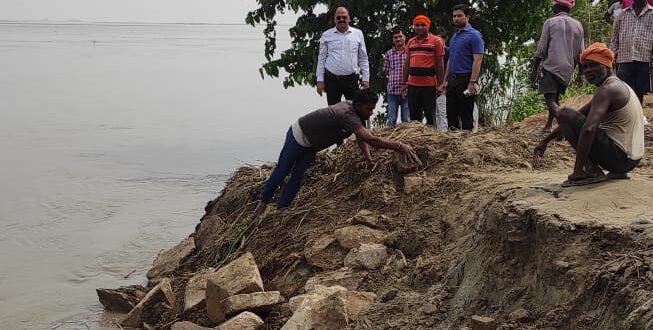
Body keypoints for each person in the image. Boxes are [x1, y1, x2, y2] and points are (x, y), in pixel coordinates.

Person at [256, 90, 420, 211]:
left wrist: (368, 157)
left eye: (372, 109)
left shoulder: (356, 112)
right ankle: (263, 201)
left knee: (298, 176)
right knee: (283, 170)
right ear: (358, 105)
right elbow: (371, 139)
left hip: (312, 145)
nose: (371, 113)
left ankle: (282, 208)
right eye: (369, 109)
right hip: (298, 135)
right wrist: (399, 146)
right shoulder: (346, 114)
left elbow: (360, 135)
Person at [533, 43, 645, 187]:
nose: (588, 71)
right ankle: (614, 171)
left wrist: (577, 170)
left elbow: (588, 128)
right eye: (585, 67)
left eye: (593, 65)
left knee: (564, 112)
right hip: (631, 161)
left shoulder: (607, 89)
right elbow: (576, 117)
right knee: (566, 115)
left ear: (607, 65)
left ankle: (590, 170)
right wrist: (545, 141)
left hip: (620, 157)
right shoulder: (617, 86)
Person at [531, 0, 584, 135]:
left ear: (555, 8)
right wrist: (580, 74)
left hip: (551, 66)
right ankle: (549, 126)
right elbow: (581, 53)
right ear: (569, 9)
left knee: (549, 100)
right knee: (555, 98)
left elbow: (541, 49)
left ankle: (567, 128)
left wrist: (534, 69)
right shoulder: (578, 25)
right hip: (568, 69)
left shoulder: (550, 23)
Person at [441, 4, 485, 131]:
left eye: (459, 16)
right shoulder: (454, 36)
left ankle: (467, 144)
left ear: (467, 17)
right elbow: (450, 60)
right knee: (451, 113)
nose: (456, 18)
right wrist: (445, 80)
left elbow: (478, 59)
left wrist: (472, 82)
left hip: (466, 79)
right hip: (453, 80)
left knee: (466, 113)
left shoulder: (474, 35)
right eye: (454, 16)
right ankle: (453, 141)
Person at [316, 7, 370, 105]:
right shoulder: (326, 35)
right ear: (334, 19)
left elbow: (363, 57)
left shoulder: (358, 34)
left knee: (356, 109)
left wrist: (365, 78)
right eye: (339, 17)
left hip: (351, 79)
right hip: (332, 79)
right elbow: (321, 58)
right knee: (333, 111)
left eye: (344, 17)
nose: (341, 20)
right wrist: (320, 80)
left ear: (349, 18)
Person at [400, 15, 445, 126]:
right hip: (413, 84)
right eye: (417, 25)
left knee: (430, 115)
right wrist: (403, 83)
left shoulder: (436, 41)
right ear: (414, 27)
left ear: (428, 26)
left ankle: (431, 138)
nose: (420, 27)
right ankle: (416, 138)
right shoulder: (410, 42)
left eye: (423, 25)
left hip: (429, 85)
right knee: (414, 117)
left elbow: (440, 64)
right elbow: (407, 64)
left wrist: (440, 84)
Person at [611, 0, 653, 105]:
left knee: (640, 90)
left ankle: (638, 115)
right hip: (624, 57)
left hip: (644, 57)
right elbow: (614, 37)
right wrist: (613, 55)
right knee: (624, 89)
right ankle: (625, 114)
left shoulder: (652, 14)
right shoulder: (622, 14)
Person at [382, 27, 410, 127]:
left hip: (407, 91)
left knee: (406, 120)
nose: (398, 39)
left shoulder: (410, 52)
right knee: (391, 119)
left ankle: (406, 141)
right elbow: (385, 70)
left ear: (404, 37)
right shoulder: (388, 54)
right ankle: (389, 141)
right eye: (395, 37)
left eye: (400, 36)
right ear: (393, 40)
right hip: (392, 92)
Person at [434, 29, 449, 131]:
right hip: (433, 85)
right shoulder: (433, 53)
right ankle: (438, 132)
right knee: (436, 112)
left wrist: (444, 83)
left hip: (445, 86)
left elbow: (449, 69)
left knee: (443, 111)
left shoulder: (448, 52)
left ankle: (443, 132)